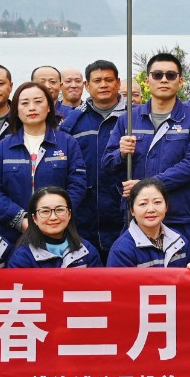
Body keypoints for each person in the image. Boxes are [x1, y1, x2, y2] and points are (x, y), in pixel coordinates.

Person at [105, 52, 190, 253]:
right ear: (147, 81)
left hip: (179, 216)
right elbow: (108, 164)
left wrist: (146, 186)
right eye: (157, 75)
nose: (163, 80)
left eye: (170, 75)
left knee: (185, 270)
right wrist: (120, 153)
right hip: (138, 218)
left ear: (180, 81)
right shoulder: (128, 119)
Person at [0, 81, 88, 239]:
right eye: (24, 103)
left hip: (59, 230)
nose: (32, 107)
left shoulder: (67, 143)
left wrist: (56, 215)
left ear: (49, 107)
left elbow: (77, 185)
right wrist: (21, 220)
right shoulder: (3, 147)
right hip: (13, 235)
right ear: (16, 110)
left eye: (38, 102)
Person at [59, 59, 129, 254]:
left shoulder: (134, 117)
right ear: (87, 86)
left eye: (109, 80)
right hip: (85, 212)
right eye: (97, 81)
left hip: (124, 207)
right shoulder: (73, 121)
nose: (103, 85)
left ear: (118, 83)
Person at [7, 186, 102, 268]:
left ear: (69, 214)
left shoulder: (87, 250)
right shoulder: (22, 257)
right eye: (45, 211)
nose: (53, 217)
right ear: (34, 218)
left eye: (60, 210)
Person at [107, 178, 190, 268]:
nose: (151, 209)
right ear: (132, 210)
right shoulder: (122, 250)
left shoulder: (179, 241)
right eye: (143, 204)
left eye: (157, 202)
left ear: (166, 206)